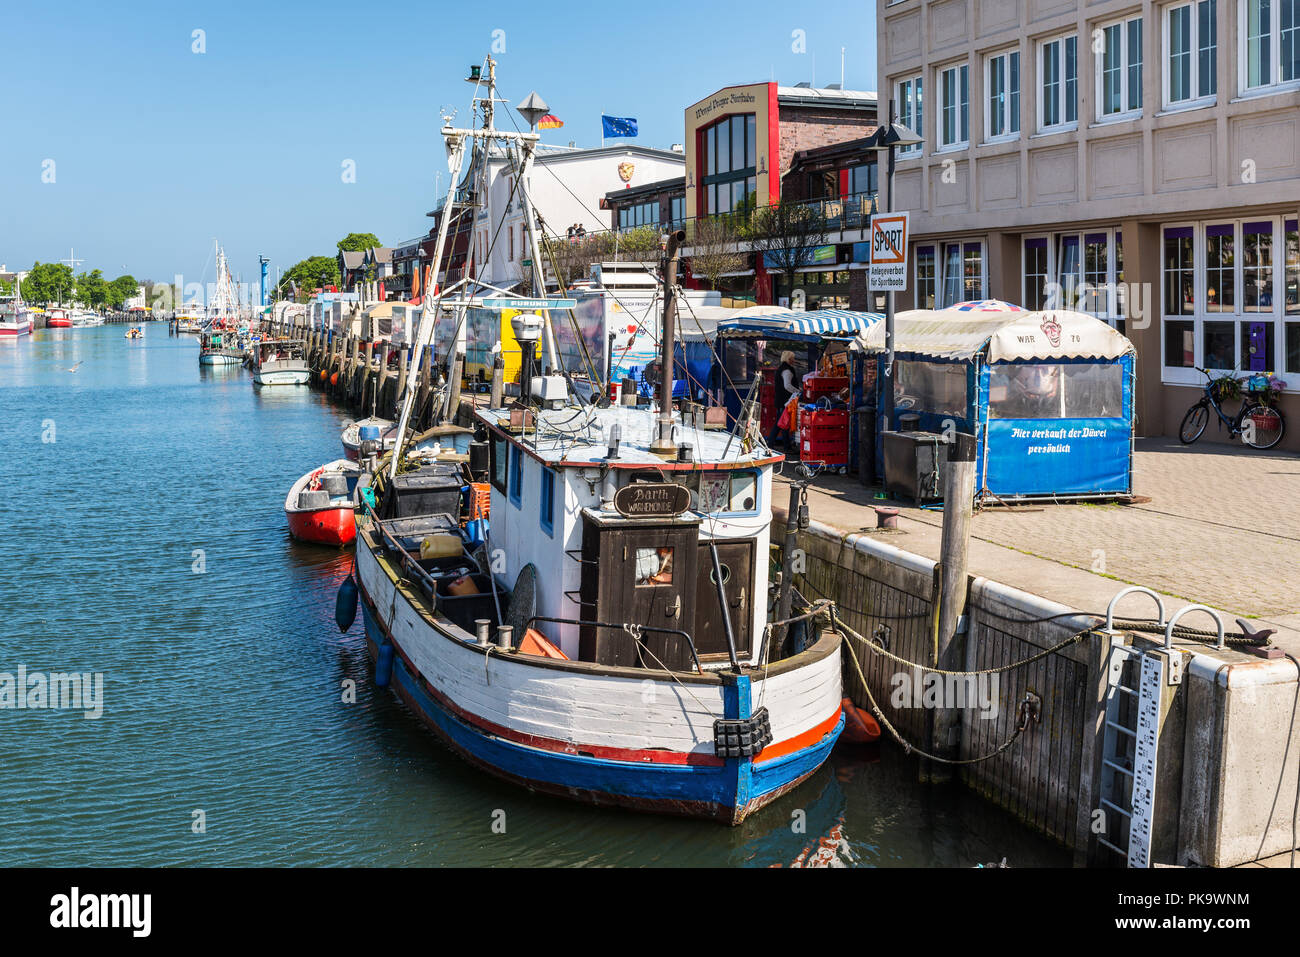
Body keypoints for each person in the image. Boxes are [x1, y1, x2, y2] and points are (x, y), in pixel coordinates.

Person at [767, 350, 799, 451]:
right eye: (793, 358)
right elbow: (787, 386)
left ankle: (770, 444)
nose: (794, 360)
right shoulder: (787, 370)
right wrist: (798, 391)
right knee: (783, 424)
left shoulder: (782, 369)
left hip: (781, 400)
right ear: (789, 359)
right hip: (785, 401)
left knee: (779, 423)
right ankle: (786, 447)